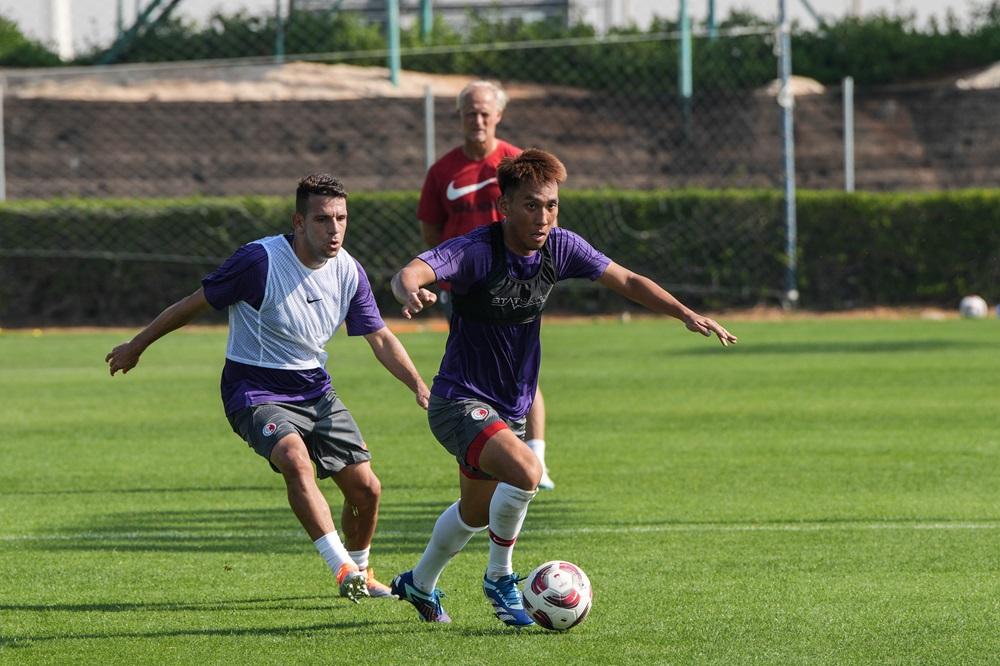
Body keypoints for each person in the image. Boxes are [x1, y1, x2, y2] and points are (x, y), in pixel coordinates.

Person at [389, 149, 737, 625]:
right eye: (531, 205)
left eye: (551, 205)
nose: (544, 216)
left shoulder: (560, 247)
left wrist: (685, 313)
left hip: (508, 406)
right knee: (527, 472)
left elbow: (628, 279)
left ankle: (419, 584)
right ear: (504, 205)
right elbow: (412, 270)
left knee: (474, 513)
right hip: (458, 400)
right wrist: (410, 288)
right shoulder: (476, 249)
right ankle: (499, 578)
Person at [105, 173, 430, 603]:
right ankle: (342, 569)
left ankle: (364, 572)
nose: (334, 230)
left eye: (341, 218)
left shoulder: (349, 271)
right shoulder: (258, 261)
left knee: (366, 489)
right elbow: (192, 304)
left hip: (315, 391)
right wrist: (137, 345)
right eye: (322, 220)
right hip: (254, 389)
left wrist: (420, 388)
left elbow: (381, 338)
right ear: (298, 222)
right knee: (296, 459)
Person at [418, 79, 555, 490]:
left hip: (515, 281)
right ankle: (487, 452)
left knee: (522, 371)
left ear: (498, 116)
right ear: (459, 117)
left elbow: (546, 215)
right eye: (469, 113)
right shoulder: (443, 171)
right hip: (465, 289)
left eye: (484, 112)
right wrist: (453, 265)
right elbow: (431, 230)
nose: (477, 120)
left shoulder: (517, 163)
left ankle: (536, 457)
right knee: (477, 367)